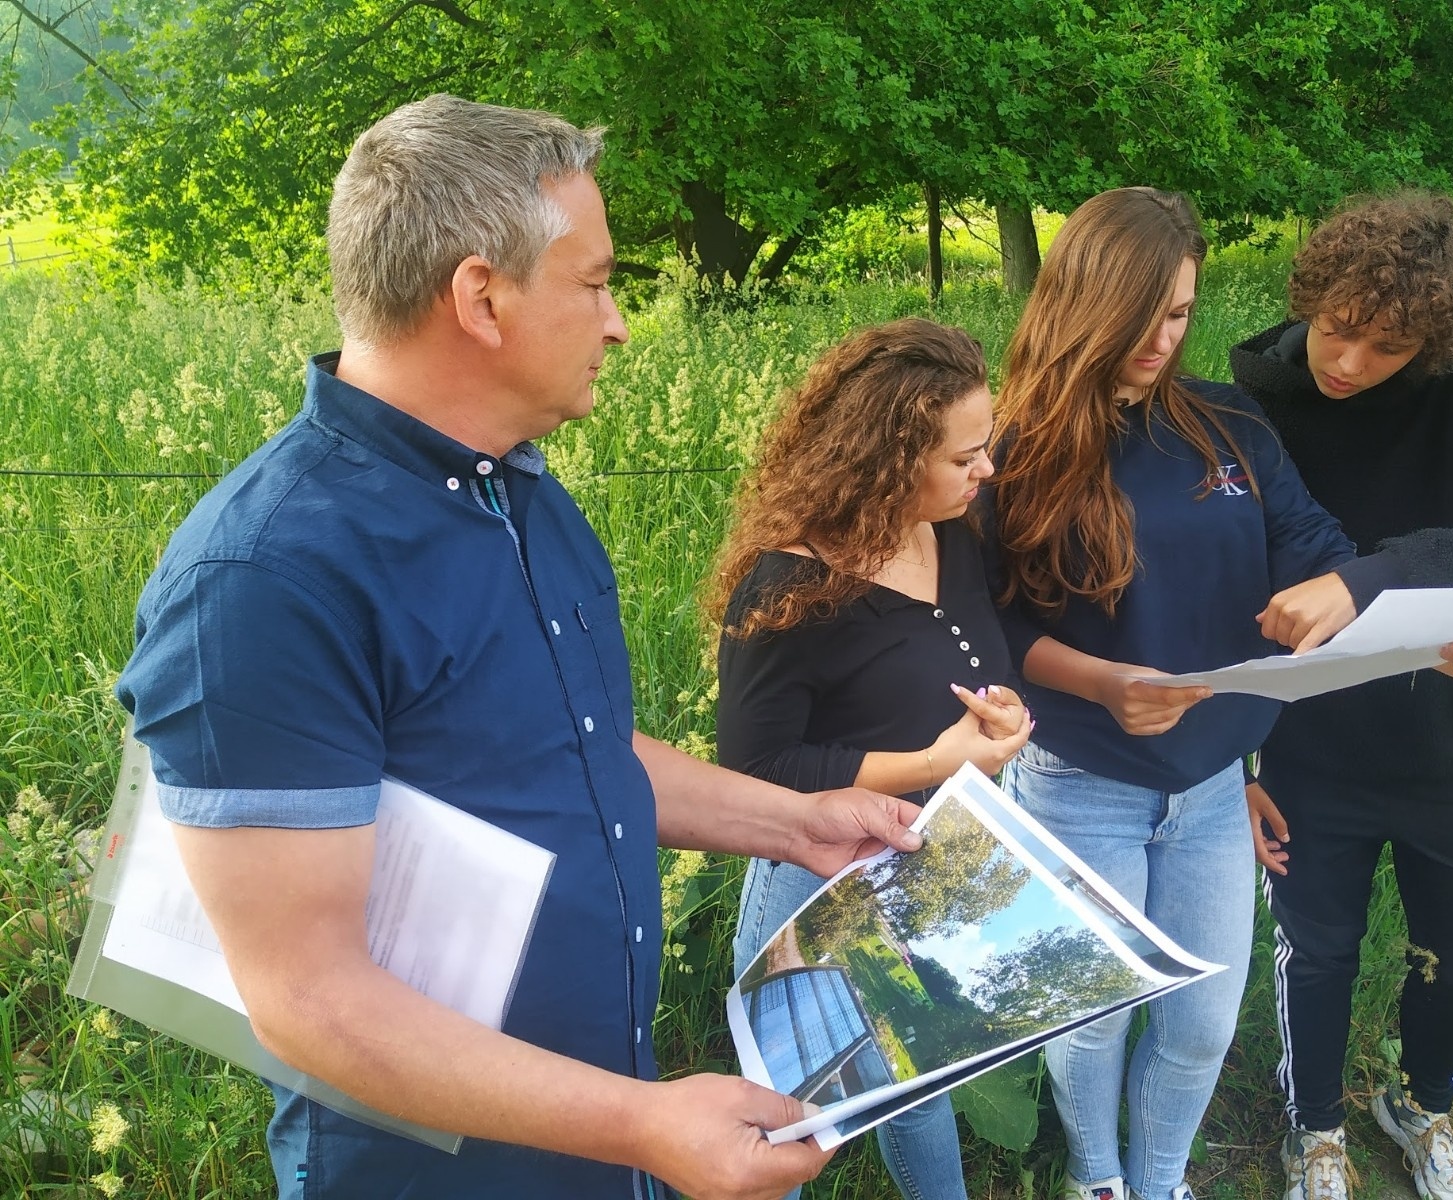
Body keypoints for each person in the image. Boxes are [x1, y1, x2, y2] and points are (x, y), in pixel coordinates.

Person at [113, 94, 927, 1200]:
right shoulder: (266, 578)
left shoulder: (520, 494)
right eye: (594, 283)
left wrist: (793, 824)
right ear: (480, 298)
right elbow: (308, 998)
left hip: (599, 1136)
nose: (618, 322)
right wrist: (643, 1125)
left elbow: (569, 751)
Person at [987, 186, 1384, 1200]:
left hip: (1210, 788)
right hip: (1079, 780)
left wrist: (1335, 595)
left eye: (1180, 312)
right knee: (1093, 1016)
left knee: (1204, 1016)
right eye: (1142, 314)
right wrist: (1100, 681)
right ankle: (1096, 1177)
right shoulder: (1013, 445)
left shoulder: (1227, 420)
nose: (1162, 339)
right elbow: (990, 627)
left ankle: (1159, 1177)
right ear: (1084, 300)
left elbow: (1309, 542)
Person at [1229, 192, 1453, 1200]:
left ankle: (1421, 1103)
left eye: (1386, 346)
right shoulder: (1249, 397)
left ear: (1433, 342)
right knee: (1317, 954)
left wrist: (1385, 585)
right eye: (1336, 330)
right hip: (1308, 747)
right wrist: (1232, 752)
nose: (1347, 363)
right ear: (1308, 297)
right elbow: (1215, 572)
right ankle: (1315, 1129)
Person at [711, 317, 1032, 1200]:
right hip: (815, 876)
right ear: (891, 460)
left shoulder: (955, 533)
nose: (987, 472)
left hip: (926, 863)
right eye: (966, 457)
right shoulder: (790, 587)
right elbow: (754, 773)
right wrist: (932, 759)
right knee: (796, 1101)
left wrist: (999, 714)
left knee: (917, 1075)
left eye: (987, 447)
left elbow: (968, 670)